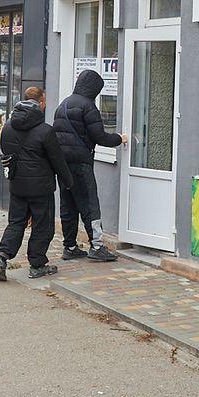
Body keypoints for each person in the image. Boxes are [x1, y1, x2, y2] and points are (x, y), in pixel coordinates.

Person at [0, 86, 73, 282]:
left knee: (16, 222)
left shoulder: (8, 127)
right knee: (42, 225)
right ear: (39, 103)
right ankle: (37, 264)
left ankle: (2, 259)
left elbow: (6, 152)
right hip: (41, 187)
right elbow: (58, 160)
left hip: (18, 185)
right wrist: (69, 182)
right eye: (44, 101)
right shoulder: (45, 131)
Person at [52, 68, 127, 261]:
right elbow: (99, 136)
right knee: (89, 204)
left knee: (68, 205)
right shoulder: (88, 107)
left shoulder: (63, 104)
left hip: (63, 165)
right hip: (81, 164)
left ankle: (69, 246)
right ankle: (97, 246)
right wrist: (119, 138)